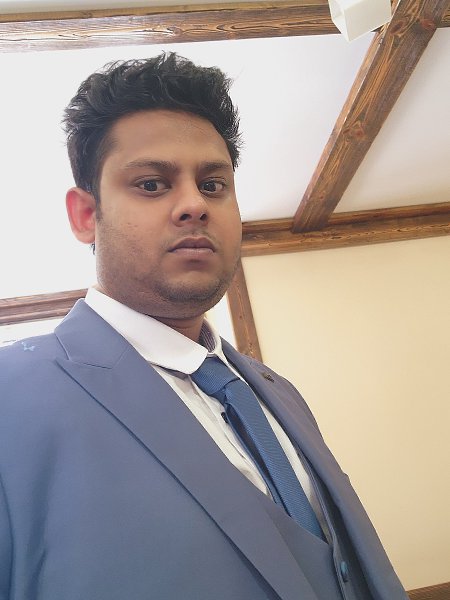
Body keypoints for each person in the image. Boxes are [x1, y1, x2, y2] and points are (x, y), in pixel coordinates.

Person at [0, 53, 408, 600]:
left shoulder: (277, 391)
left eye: (214, 185)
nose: (194, 204)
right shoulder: (10, 398)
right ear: (85, 215)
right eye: (151, 184)